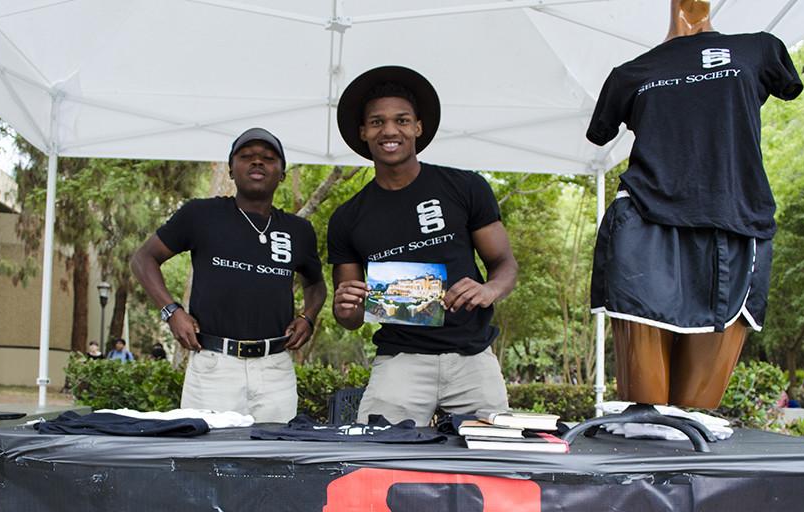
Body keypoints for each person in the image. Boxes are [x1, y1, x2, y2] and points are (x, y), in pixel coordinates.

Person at [586, 0, 803, 409]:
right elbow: (601, 132)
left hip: (735, 224)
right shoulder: (630, 74)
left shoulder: (758, 49)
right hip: (645, 227)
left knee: (697, 414)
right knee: (646, 416)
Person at [328, 66, 518, 426]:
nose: (389, 130)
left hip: (472, 357)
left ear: (418, 127)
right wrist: (344, 306)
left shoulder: (465, 187)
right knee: (378, 462)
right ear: (363, 132)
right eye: (376, 122)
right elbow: (349, 318)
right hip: (399, 362)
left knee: (492, 463)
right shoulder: (346, 218)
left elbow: (504, 263)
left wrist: (489, 289)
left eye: (401, 120)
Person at [131, 127, 326, 422]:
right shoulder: (201, 215)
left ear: (282, 173)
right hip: (213, 366)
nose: (257, 162)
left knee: (274, 462)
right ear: (231, 170)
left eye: (268, 158)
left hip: (275, 370)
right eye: (246, 156)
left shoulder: (298, 230)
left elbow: (316, 284)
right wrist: (171, 312)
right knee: (205, 462)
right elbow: (143, 259)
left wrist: (308, 317)